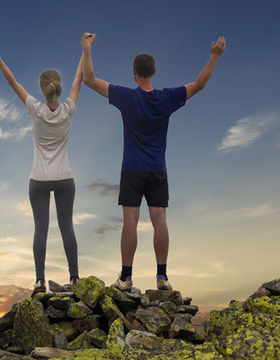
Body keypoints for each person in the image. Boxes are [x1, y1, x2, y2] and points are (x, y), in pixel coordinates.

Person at [80, 33, 226, 291]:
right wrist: (214, 56)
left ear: (134, 72)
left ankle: (126, 278)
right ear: (154, 72)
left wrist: (87, 48)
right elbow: (200, 84)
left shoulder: (127, 97)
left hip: (132, 169)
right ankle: (162, 277)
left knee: (129, 221)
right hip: (157, 169)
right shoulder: (166, 98)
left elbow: (88, 79)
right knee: (160, 220)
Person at [0, 35, 89, 296]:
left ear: (42, 89)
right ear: (58, 87)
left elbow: (12, 82)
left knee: (40, 230)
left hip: (39, 180)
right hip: (65, 178)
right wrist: (85, 49)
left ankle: (39, 281)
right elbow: (80, 78)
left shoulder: (35, 109)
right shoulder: (68, 110)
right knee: (67, 226)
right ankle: (75, 277)